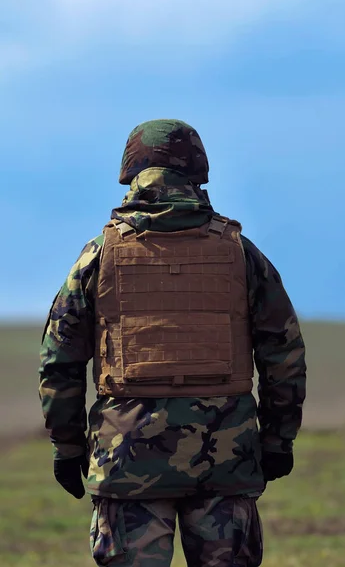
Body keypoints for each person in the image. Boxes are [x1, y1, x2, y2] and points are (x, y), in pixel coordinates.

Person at [39, 119, 307, 567]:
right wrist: (278, 439)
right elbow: (284, 355)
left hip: (126, 462)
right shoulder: (241, 253)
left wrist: (67, 447)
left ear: (131, 172)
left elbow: (59, 360)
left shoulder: (97, 256)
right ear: (198, 171)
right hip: (225, 460)